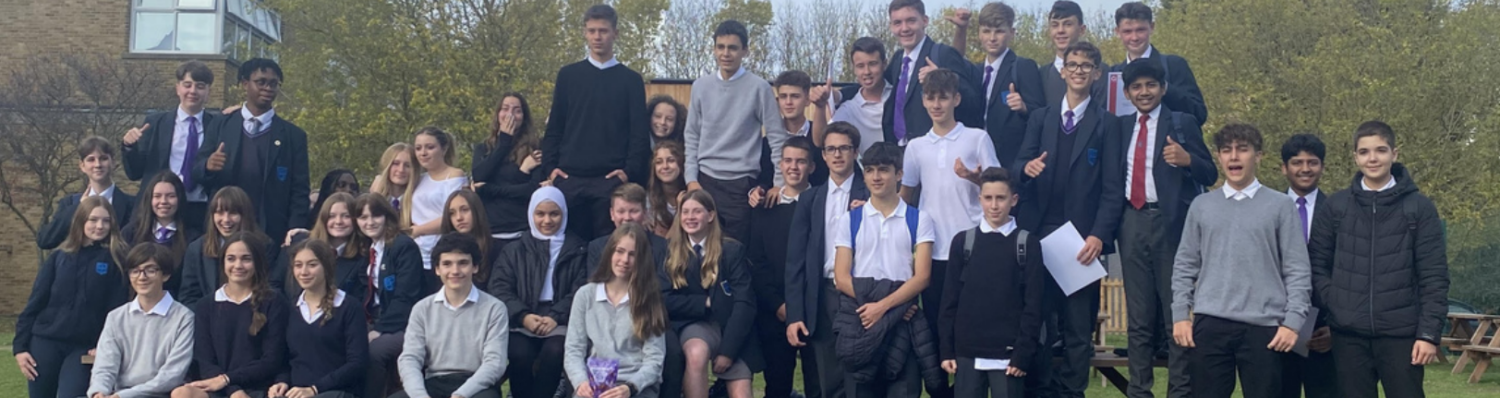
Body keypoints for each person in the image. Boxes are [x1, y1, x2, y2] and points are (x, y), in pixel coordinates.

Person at [1011, 40, 1123, 398]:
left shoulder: (1107, 125)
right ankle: (1037, 389)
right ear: (1062, 71)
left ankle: (1073, 391)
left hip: (1082, 241)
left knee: (1078, 329)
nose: (1077, 71)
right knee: (1038, 323)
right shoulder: (1041, 117)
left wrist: (1099, 236)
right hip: (1039, 236)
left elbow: (1111, 190)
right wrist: (1025, 169)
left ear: (1097, 74)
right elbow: (1016, 166)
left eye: (1085, 66)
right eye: (1072, 64)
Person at [1308, 121, 1449, 398]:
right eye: (1364, 152)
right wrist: (1337, 301)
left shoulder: (1419, 208)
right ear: (1355, 157)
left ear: (1394, 153)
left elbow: (1434, 276)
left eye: (1380, 150)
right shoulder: (1336, 207)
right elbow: (1316, 266)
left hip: (1402, 336)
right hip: (1348, 337)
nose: (1372, 158)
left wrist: (1428, 334)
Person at [1171, 123, 1311, 398]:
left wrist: (1293, 322)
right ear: (1219, 157)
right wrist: (1179, 315)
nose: (1234, 156)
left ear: (1258, 156)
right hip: (1210, 323)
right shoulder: (1202, 205)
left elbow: (1297, 269)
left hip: (1264, 327)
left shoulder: (1280, 206)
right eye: (1226, 150)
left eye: (1242, 149)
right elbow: (1185, 264)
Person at [1114, 59, 1215, 398]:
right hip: (1131, 221)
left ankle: (1179, 391)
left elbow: (1210, 173)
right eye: (1137, 87)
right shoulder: (1121, 127)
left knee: (1176, 315)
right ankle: (1139, 391)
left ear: (1163, 88)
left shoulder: (1182, 123)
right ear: (1128, 93)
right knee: (1139, 319)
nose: (1144, 92)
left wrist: (1188, 160)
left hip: (1171, 226)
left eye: (1151, 85)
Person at [898, 69, 1001, 397]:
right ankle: (941, 389)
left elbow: (998, 187)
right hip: (932, 249)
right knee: (935, 324)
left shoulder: (976, 137)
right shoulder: (915, 147)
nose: (937, 103)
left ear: (956, 99)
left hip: (972, 246)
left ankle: (972, 387)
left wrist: (973, 177)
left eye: (943, 97)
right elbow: (905, 197)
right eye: (931, 97)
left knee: (970, 321)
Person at [832, 142, 942, 398]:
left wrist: (883, 308)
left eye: (883, 170)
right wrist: (876, 308)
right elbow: (841, 278)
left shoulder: (919, 218)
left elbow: (922, 276)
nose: (876, 177)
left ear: (899, 174)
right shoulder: (850, 220)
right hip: (862, 322)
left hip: (902, 323)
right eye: (869, 170)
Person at [544, 4, 653, 242]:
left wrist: (627, 172)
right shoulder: (568, 76)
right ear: (584, 32)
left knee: (609, 252)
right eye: (592, 31)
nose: (597, 37)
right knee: (570, 251)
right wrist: (551, 169)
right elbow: (555, 127)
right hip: (570, 180)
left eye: (603, 31)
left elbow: (639, 134)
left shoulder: (631, 80)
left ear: (615, 33)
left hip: (611, 182)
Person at [938, 167, 1046, 398]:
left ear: (1013, 200)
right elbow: (949, 301)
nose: (994, 205)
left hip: (1008, 357)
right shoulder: (962, 242)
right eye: (988, 198)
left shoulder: (1027, 244)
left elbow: (1034, 306)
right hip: (967, 354)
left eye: (1001, 198)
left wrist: (1022, 354)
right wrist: (946, 350)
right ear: (980, 200)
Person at [683, 19, 788, 243]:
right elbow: (691, 135)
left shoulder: (759, 88)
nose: (726, 53)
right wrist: (691, 178)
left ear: (745, 51)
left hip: (742, 184)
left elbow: (777, 138)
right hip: (705, 180)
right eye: (720, 47)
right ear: (713, 49)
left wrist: (779, 183)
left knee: (735, 252)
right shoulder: (700, 86)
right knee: (699, 250)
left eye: (732, 47)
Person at [15, 195, 130, 398]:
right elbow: (34, 304)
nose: (100, 225)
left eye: (105, 220)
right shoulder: (58, 257)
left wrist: (103, 344)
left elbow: (116, 310)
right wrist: (20, 348)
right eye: (93, 220)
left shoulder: (115, 260)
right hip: (45, 342)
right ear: (81, 221)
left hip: (83, 347)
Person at [784, 123, 865, 398]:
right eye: (831, 149)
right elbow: (795, 260)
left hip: (860, 292)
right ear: (824, 155)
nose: (837, 155)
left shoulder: (871, 195)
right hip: (820, 295)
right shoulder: (810, 198)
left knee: (858, 376)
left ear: (855, 152)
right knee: (823, 379)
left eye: (844, 148)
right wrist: (794, 315)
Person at [193, 58, 310, 245]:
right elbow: (196, 170)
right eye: (261, 82)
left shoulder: (293, 136)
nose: (268, 88)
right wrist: (207, 166)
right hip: (225, 228)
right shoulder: (221, 124)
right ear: (244, 84)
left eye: (273, 84)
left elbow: (299, 190)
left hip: (271, 231)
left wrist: (294, 231)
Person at [490, 187, 589, 398]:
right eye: (540, 214)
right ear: (530, 214)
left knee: (554, 352)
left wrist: (556, 316)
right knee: (519, 353)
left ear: (564, 214)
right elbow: (499, 287)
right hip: (521, 318)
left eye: (554, 214)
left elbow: (582, 289)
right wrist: (522, 316)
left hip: (561, 319)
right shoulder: (514, 249)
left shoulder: (578, 249)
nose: (547, 220)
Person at [661, 190, 759, 398]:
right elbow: (663, 299)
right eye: (685, 212)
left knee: (741, 392)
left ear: (711, 215)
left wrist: (728, 352)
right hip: (693, 325)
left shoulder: (731, 250)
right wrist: (705, 302)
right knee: (696, 354)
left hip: (731, 328)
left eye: (697, 211)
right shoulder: (668, 251)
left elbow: (744, 302)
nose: (690, 217)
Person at [173, 231, 290, 398]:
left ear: (257, 262)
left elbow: (272, 360)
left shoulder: (274, 302)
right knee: (182, 393)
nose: (238, 265)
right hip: (221, 388)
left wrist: (229, 380)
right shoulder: (205, 306)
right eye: (231, 259)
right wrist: (233, 390)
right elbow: (205, 361)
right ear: (223, 263)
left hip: (260, 387)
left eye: (246, 259)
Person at [394, 233, 510, 398]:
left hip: (476, 387)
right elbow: (410, 359)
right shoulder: (422, 308)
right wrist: (420, 395)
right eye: (447, 264)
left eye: (463, 263)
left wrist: (461, 394)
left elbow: (494, 363)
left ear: (475, 266)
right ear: (437, 269)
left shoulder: (494, 308)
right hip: (434, 383)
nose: (455, 271)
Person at [747, 137, 817, 398]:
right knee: (777, 385)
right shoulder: (765, 208)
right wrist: (779, 306)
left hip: (814, 310)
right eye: (788, 160)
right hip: (775, 310)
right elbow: (757, 262)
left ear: (811, 167)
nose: (794, 167)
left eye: (801, 161)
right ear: (780, 164)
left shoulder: (821, 204)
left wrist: (803, 307)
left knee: (818, 383)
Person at [565, 222, 669, 398]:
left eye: (632, 254)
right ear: (610, 253)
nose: (624, 260)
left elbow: (655, 360)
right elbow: (573, 350)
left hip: (635, 386)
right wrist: (581, 383)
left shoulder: (649, 298)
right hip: (595, 383)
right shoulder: (585, 295)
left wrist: (631, 387)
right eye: (619, 251)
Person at [87, 243, 196, 398]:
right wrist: (99, 391)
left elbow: (173, 375)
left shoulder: (184, 318)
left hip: (162, 394)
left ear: (165, 274)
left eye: (150, 270)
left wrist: (125, 395)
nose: (142, 277)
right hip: (118, 393)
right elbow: (105, 366)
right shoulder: (116, 317)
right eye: (135, 271)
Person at [269, 239, 370, 398]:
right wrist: (282, 381)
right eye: (298, 265)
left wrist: (315, 389)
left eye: (312, 264)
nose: (304, 272)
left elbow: (357, 363)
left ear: (326, 267)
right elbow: (285, 359)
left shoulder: (349, 307)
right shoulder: (290, 309)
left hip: (338, 392)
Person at [947, 2, 1046, 163]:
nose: (992, 38)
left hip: (1009, 161)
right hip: (975, 159)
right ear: (979, 33)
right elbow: (955, 61)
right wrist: (961, 29)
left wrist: (1024, 107)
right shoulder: (975, 72)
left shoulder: (1023, 67)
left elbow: (1041, 115)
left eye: (999, 31)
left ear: (1011, 33)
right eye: (986, 31)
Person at [122, 60, 215, 231]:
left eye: (200, 86)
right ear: (178, 88)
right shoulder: (155, 123)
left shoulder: (218, 125)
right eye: (187, 85)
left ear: (208, 91)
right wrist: (129, 146)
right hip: (160, 209)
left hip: (200, 208)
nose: (193, 91)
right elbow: (135, 172)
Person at [351, 193, 426, 398]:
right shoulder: (368, 249)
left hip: (404, 323)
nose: (370, 222)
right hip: (374, 318)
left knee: (374, 351)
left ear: (387, 216)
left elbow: (405, 297)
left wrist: (380, 330)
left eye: (375, 215)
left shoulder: (403, 246)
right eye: (363, 217)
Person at [1278, 133, 1336, 398]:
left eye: (1312, 162)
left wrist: (1336, 327)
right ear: (1284, 168)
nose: (1304, 169)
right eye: (1297, 162)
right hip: (1275, 324)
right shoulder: (1268, 209)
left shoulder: (1339, 211)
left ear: (1322, 167)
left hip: (1322, 328)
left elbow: (1346, 273)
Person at [883, 0, 982, 148]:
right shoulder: (898, 59)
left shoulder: (943, 54)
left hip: (937, 149)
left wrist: (942, 79)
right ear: (891, 26)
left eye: (911, 21)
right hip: (900, 151)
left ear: (924, 21)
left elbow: (973, 102)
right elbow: (875, 87)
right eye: (897, 23)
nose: (904, 28)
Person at [1109, 2, 1207, 126]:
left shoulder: (1174, 65)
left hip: (1168, 143)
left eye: (1140, 30)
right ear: (1117, 32)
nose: (1134, 37)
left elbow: (1199, 114)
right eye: (1127, 31)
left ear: (1152, 27)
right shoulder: (1113, 74)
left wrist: (1163, 87)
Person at [37, 136, 136, 250]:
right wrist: (79, 208)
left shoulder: (132, 204)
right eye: (91, 159)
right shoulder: (70, 203)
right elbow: (45, 241)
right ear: (82, 165)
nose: (97, 165)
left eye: (103, 158)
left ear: (113, 162)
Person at [473, 92, 544, 244]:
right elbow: (479, 177)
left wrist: (490, 189)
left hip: (522, 232)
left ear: (524, 116)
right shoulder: (484, 149)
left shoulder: (535, 147)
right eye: (505, 109)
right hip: (491, 232)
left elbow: (533, 190)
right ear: (498, 114)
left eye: (517, 110)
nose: (510, 115)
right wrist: (504, 142)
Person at [276, 192, 367, 306]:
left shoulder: (361, 257)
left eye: (346, 216)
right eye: (331, 216)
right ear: (323, 218)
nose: (338, 221)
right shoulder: (297, 242)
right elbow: (275, 284)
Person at [180, 186, 262, 309]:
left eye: (233, 213)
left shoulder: (263, 246)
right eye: (219, 212)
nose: (226, 219)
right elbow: (189, 296)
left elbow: (266, 289)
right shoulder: (196, 249)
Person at [122, 171, 203, 295]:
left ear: (180, 198)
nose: (163, 201)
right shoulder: (131, 233)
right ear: (149, 199)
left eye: (170, 196)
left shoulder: (193, 238)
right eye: (157, 196)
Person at [755, 71, 829, 199]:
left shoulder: (819, 135)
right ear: (777, 101)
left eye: (795, 96)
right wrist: (760, 190)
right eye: (783, 96)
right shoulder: (767, 143)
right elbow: (764, 178)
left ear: (807, 100)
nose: (788, 102)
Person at [407, 126, 468, 281]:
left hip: (443, 250)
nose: (423, 153)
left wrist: (418, 230)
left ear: (444, 148)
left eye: (430, 147)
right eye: (418, 148)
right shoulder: (418, 179)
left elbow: (452, 216)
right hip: (416, 253)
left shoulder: (454, 175)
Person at [826, 37, 889, 153]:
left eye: (873, 64)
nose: (867, 72)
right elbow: (823, 139)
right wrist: (820, 106)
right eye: (860, 66)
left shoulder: (900, 95)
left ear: (884, 64)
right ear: (853, 69)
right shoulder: (849, 109)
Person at [443, 190, 503, 289]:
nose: (459, 218)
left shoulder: (497, 249)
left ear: (477, 211)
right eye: (452, 213)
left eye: (465, 210)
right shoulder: (443, 250)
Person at [1040, 1, 1088, 106]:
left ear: (1081, 29)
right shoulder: (1040, 75)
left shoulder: (1098, 72)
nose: (1060, 30)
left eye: (1068, 24)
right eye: (1055, 25)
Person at [371, 143, 420, 218]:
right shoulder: (375, 196)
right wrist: (375, 197)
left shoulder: (418, 201)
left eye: (407, 165)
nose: (401, 170)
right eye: (396, 163)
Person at [648, 141, 687, 237]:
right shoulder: (649, 200)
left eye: (671, 160)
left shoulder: (692, 195)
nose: (665, 166)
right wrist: (680, 211)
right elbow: (665, 243)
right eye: (659, 162)